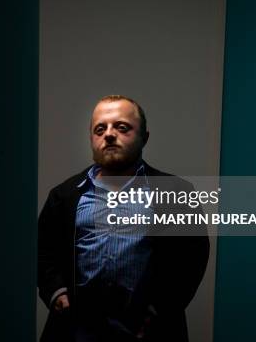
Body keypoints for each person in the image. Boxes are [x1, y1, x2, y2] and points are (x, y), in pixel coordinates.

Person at [38, 95, 209, 342]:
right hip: (77, 330)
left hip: (149, 330)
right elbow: (44, 250)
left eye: (121, 127)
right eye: (100, 129)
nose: (108, 134)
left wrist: (161, 309)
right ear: (91, 139)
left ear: (144, 138)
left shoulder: (176, 192)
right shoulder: (63, 195)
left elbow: (192, 257)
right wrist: (55, 290)